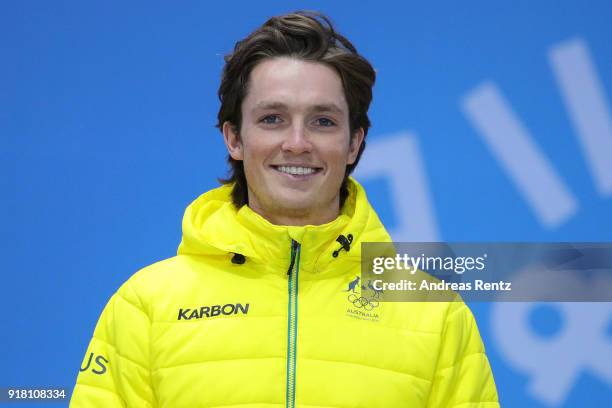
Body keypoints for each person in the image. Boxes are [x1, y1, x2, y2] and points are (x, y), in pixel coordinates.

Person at [71, 11, 499, 407]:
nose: (297, 142)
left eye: (323, 121)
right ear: (234, 138)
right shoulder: (146, 305)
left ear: (354, 143)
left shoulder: (434, 311)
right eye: (273, 118)